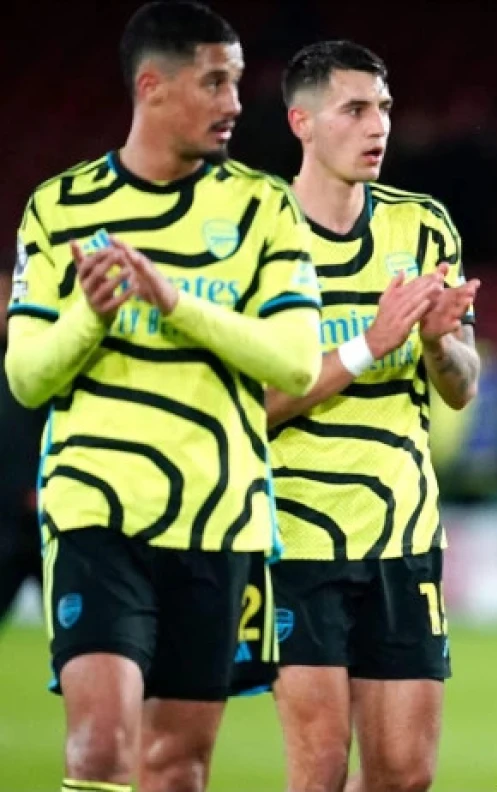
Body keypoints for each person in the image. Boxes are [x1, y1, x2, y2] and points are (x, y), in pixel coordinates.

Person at [2, 3, 323, 791]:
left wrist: (176, 303)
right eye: (214, 82)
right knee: (98, 749)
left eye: (236, 82)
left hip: (217, 516)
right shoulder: (61, 207)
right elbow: (28, 375)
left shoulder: (264, 207)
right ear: (152, 86)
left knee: (176, 767)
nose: (234, 102)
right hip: (96, 510)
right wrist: (91, 314)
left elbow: (295, 363)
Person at [260, 40, 481, 792]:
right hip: (296, 537)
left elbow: (462, 388)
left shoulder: (423, 228)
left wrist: (438, 344)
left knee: (405, 776)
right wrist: (367, 346)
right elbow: (247, 409)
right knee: (320, 770)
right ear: (302, 122)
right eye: (354, 109)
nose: (377, 124)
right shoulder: (260, 235)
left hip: (403, 534)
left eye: (383, 107)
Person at [0, 265, 45, 627]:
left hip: (48, 514)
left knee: (81, 632)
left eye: (6, 297)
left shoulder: (40, 362)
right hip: (4, 518)